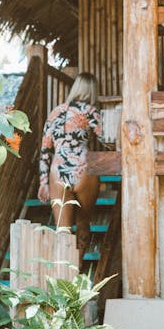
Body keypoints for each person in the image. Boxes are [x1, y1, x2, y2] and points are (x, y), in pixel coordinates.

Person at [38, 72, 102, 264]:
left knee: (62, 230)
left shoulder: (55, 112)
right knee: (83, 222)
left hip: (58, 171)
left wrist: (43, 182)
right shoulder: (90, 111)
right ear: (92, 91)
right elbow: (107, 140)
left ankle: (63, 273)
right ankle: (78, 268)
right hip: (81, 169)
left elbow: (45, 149)